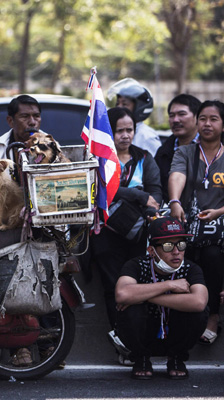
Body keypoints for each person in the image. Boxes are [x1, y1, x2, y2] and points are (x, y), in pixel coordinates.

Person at [89, 107, 161, 360]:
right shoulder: (99, 159)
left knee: (139, 287)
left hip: (138, 234)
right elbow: (102, 190)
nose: (125, 135)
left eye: (129, 130)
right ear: (109, 132)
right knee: (113, 288)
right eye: (119, 130)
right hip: (106, 234)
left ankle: (138, 342)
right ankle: (122, 342)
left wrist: (145, 201)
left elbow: (156, 195)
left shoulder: (144, 158)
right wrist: (139, 195)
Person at [115, 217, 208, 380]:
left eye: (181, 245)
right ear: (152, 251)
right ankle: (141, 358)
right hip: (146, 333)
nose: (176, 251)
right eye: (168, 246)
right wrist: (169, 286)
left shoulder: (190, 268)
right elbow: (122, 294)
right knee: (131, 310)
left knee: (198, 313)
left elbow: (199, 302)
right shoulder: (136, 265)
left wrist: (146, 296)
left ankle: (176, 358)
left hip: (175, 332)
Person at [169, 100, 224, 346]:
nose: (207, 124)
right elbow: (177, 175)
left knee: (212, 256)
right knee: (177, 253)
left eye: (214, 119)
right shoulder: (186, 151)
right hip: (189, 222)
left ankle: (213, 316)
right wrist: (174, 201)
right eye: (203, 118)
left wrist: (219, 212)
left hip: (220, 224)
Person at [154, 94, 201, 202]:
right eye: (171, 115)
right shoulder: (163, 152)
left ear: (197, 117)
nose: (175, 120)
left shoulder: (215, 147)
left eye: (182, 114)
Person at [107, 78, 162, 156]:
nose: (119, 107)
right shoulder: (112, 129)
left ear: (139, 107)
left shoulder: (147, 136)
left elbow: (154, 164)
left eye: (124, 104)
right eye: (118, 103)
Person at [0, 95, 43, 162]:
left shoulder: (53, 147)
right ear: (10, 121)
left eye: (36, 116)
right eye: (25, 116)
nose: (32, 122)